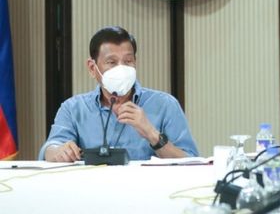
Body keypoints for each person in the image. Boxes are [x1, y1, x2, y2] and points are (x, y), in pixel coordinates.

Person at [39, 26, 198, 162]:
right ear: (92, 68)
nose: (121, 68)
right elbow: (50, 149)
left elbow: (192, 162)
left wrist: (152, 134)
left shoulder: (165, 105)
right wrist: (59, 151)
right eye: (112, 62)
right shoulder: (73, 108)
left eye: (128, 61)